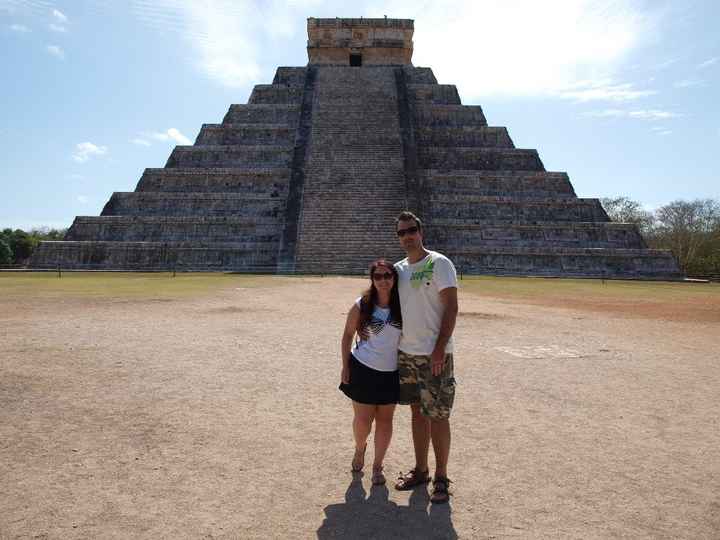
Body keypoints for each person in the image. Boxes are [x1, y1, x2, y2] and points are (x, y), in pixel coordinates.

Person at [393, 211, 459, 504]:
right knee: (417, 413)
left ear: (421, 231)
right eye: (401, 232)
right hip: (407, 354)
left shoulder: (439, 263)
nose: (407, 236)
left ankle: (442, 477)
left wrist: (439, 347)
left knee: (439, 416)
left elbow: (452, 308)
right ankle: (421, 470)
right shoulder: (398, 269)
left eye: (411, 230)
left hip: (434, 355)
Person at [339, 259, 402, 486]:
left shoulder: (403, 305)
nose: (383, 280)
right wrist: (345, 366)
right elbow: (347, 335)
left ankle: (377, 466)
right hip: (363, 368)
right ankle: (360, 448)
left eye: (388, 276)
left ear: (394, 279)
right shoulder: (363, 304)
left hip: (391, 372)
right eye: (378, 276)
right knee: (363, 421)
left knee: (385, 421)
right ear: (372, 280)